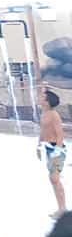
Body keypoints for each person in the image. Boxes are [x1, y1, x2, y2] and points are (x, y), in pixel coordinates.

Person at [40, 89, 67, 217]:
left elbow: (60, 134)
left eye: (43, 97)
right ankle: (60, 208)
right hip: (47, 148)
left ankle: (63, 209)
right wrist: (38, 146)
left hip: (56, 148)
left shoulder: (54, 115)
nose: (40, 98)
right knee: (53, 179)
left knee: (55, 178)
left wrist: (57, 151)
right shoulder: (44, 114)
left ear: (47, 102)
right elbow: (43, 132)